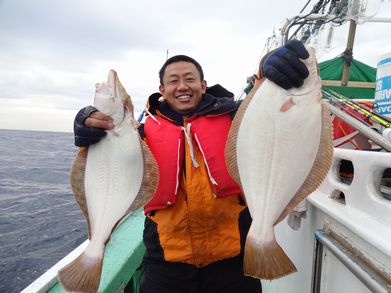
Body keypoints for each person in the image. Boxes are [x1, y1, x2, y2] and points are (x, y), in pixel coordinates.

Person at [73, 40, 309, 293]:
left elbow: (266, 105)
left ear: (203, 85)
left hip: (233, 260)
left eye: (190, 79)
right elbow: (110, 164)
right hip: (166, 261)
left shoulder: (236, 119)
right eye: (173, 81)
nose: (182, 86)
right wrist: (89, 131)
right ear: (161, 89)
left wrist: (268, 69)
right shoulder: (139, 134)